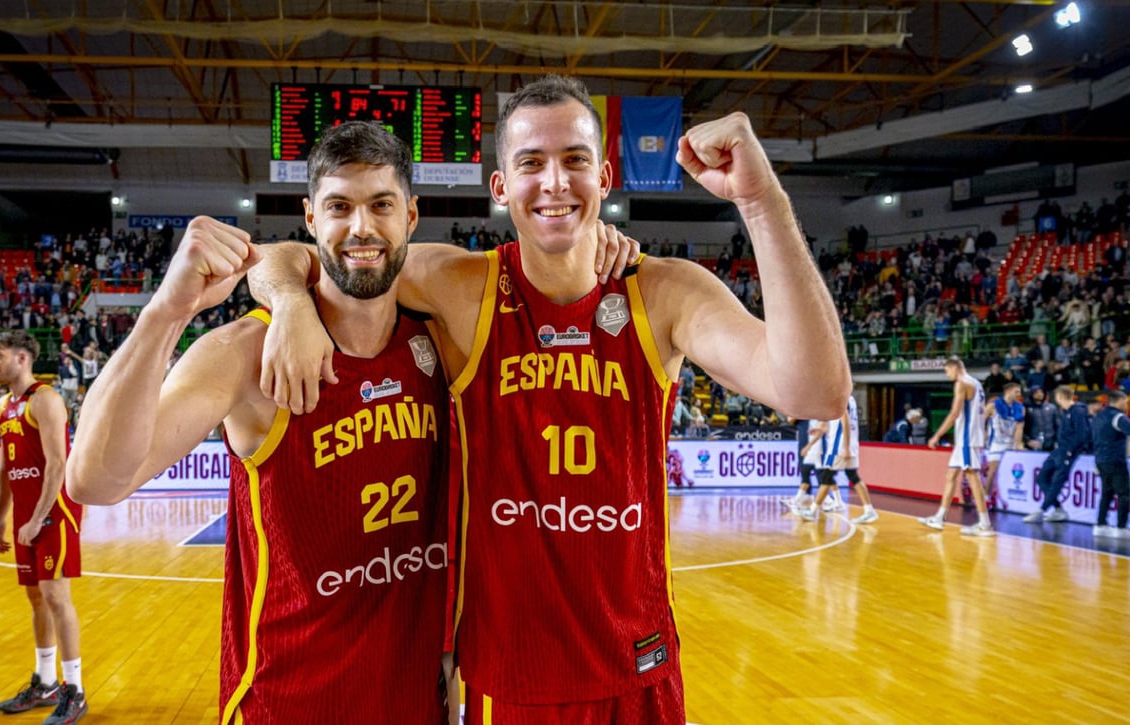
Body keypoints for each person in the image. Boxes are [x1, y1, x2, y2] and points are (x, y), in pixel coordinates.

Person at [249, 75, 849, 722]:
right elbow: (292, 255)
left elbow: (816, 390)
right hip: (506, 680)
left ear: (605, 176)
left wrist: (762, 203)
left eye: (575, 161)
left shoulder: (666, 291)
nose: (555, 182)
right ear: (501, 187)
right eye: (532, 163)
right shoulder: (460, 284)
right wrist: (288, 302)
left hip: (636, 669)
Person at [66, 123, 461, 723]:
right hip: (287, 701)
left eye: (380, 204)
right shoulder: (245, 352)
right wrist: (165, 313)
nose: (361, 227)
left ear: (410, 215)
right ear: (309, 216)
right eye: (338, 206)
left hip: (416, 699)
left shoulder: (441, 330)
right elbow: (94, 482)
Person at [0, 331, 88, 724]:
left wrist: (37, 517)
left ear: (23, 357)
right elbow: (6, 467)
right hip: (26, 517)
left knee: (56, 596)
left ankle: (74, 688)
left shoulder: (44, 399)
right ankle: (45, 682)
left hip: (54, 512)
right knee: (35, 598)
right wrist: (0, 518)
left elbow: (58, 464)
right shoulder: (1, 405)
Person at [920, 357, 994, 536]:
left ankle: (985, 524)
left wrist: (936, 436)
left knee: (973, 477)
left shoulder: (962, 383)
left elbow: (954, 414)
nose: (948, 376)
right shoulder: (977, 382)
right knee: (951, 475)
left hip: (967, 439)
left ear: (954, 367)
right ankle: (939, 517)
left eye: (947, 371)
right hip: (966, 438)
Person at [798, 394, 877, 524]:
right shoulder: (850, 399)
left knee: (826, 477)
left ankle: (813, 511)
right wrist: (818, 429)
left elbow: (844, 420)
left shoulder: (839, 398)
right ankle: (869, 510)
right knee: (852, 476)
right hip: (850, 444)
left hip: (838, 446)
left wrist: (845, 447)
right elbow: (829, 425)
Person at [1023, 385, 1091, 524]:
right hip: (1058, 450)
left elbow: (1083, 434)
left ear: (1060, 397)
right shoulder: (1066, 412)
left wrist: (1070, 450)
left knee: (1057, 481)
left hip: (1068, 452)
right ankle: (1058, 509)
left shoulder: (1077, 411)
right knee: (1042, 477)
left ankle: (1042, 510)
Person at [1090, 390, 1130, 538]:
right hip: (1115, 460)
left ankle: (1101, 525)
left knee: (1107, 493)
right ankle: (1121, 528)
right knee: (1124, 494)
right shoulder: (1119, 417)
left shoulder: (1098, 416)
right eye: (1125, 402)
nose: (1126, 405)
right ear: (1119, 401)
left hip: (1101, 460)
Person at [982, 383, 1025, 511]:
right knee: (992, 471)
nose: (1019, 394)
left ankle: (1006, 499)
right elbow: (979, 421)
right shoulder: (993, 406)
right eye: (1017, 392)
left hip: (1010, 442)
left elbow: (1019, 428)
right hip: (996, 443)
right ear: (1008, 391)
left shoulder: (1020, 408)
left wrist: (1018, 444)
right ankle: (985, 497)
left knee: (1009, 472)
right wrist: (981, 437)